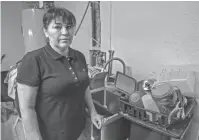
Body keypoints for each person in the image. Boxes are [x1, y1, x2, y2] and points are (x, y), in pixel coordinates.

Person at [16, 7, 103, 140]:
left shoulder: (79, 56)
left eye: (69, 27)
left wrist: (93, 112)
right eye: (57, 27)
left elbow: (84, 87)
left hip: (79, 131)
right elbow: (27, 108)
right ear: (46, 32)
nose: (65, 32)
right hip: (50, 135)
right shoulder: (34, 59)